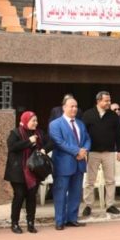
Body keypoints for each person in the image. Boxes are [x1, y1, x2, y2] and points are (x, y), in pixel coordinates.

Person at [4, 111, 53, 233]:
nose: (36, 123)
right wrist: (29, 141)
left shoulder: (39, 133)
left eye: (36, 120)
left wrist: (44, 149)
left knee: (31, 197)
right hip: (18, 171)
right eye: (33, 121)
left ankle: (30, 223)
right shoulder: (15, 133)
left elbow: (51, 142)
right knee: (19, 195)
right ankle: (15, 223)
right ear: (26, 121)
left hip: (34, 171)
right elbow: (12, 147)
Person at [48, 97, 90, 230]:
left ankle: (72, 219)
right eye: (71, 106)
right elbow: (59, 142)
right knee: (60, 193)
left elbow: (87, 139)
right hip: (63, 164)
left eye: (76, 106)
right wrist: (77, 151)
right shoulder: (55, 124)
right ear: (64, 107)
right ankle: (59, 221)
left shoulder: (80, 123)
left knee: (76, 193)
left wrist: (84, 150)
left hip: (79, 164)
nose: (74, 109)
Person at [81, 91, 120, 217]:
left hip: (109, 152)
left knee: (110, 180)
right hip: (92, 152)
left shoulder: (113, 115)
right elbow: (83, 134)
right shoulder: (88, 114)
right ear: (99, 101)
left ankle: (110, 205)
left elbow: (119, 134)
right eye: (106, 101)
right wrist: (83, 150)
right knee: (90, 181)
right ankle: (88, 205)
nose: (109, 103)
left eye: (109, 100)